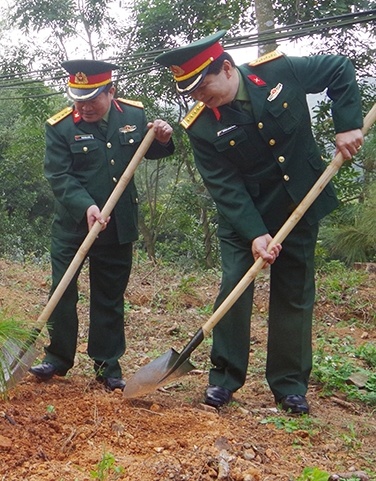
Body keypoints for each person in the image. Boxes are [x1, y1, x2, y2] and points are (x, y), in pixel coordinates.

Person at [154, 31, 364, 415]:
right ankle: (224, 379)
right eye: (193, 93)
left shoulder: (280, 70)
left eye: (204, 87)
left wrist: (347, 123)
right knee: (234, 287)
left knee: (294, 292)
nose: (200, 97)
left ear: (228, 68)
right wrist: (255, 233)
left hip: (299, 203)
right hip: (243, 218)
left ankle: (289, 386)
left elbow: (339, 68)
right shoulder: (200, 126)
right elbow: (226, 187)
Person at [29, 60, 175, 391]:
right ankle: (58, 357)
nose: (84, 107)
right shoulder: (61, 126)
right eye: (78, 99)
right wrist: (87, 207)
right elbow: (58, 175)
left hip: (118, 223)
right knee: (63, 290)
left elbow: (150, 150)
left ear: (111, 91)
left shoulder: (134, 116)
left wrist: (163, 138)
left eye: (92, 99)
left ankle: (107, 364)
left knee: (109, 295)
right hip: (73, 225)